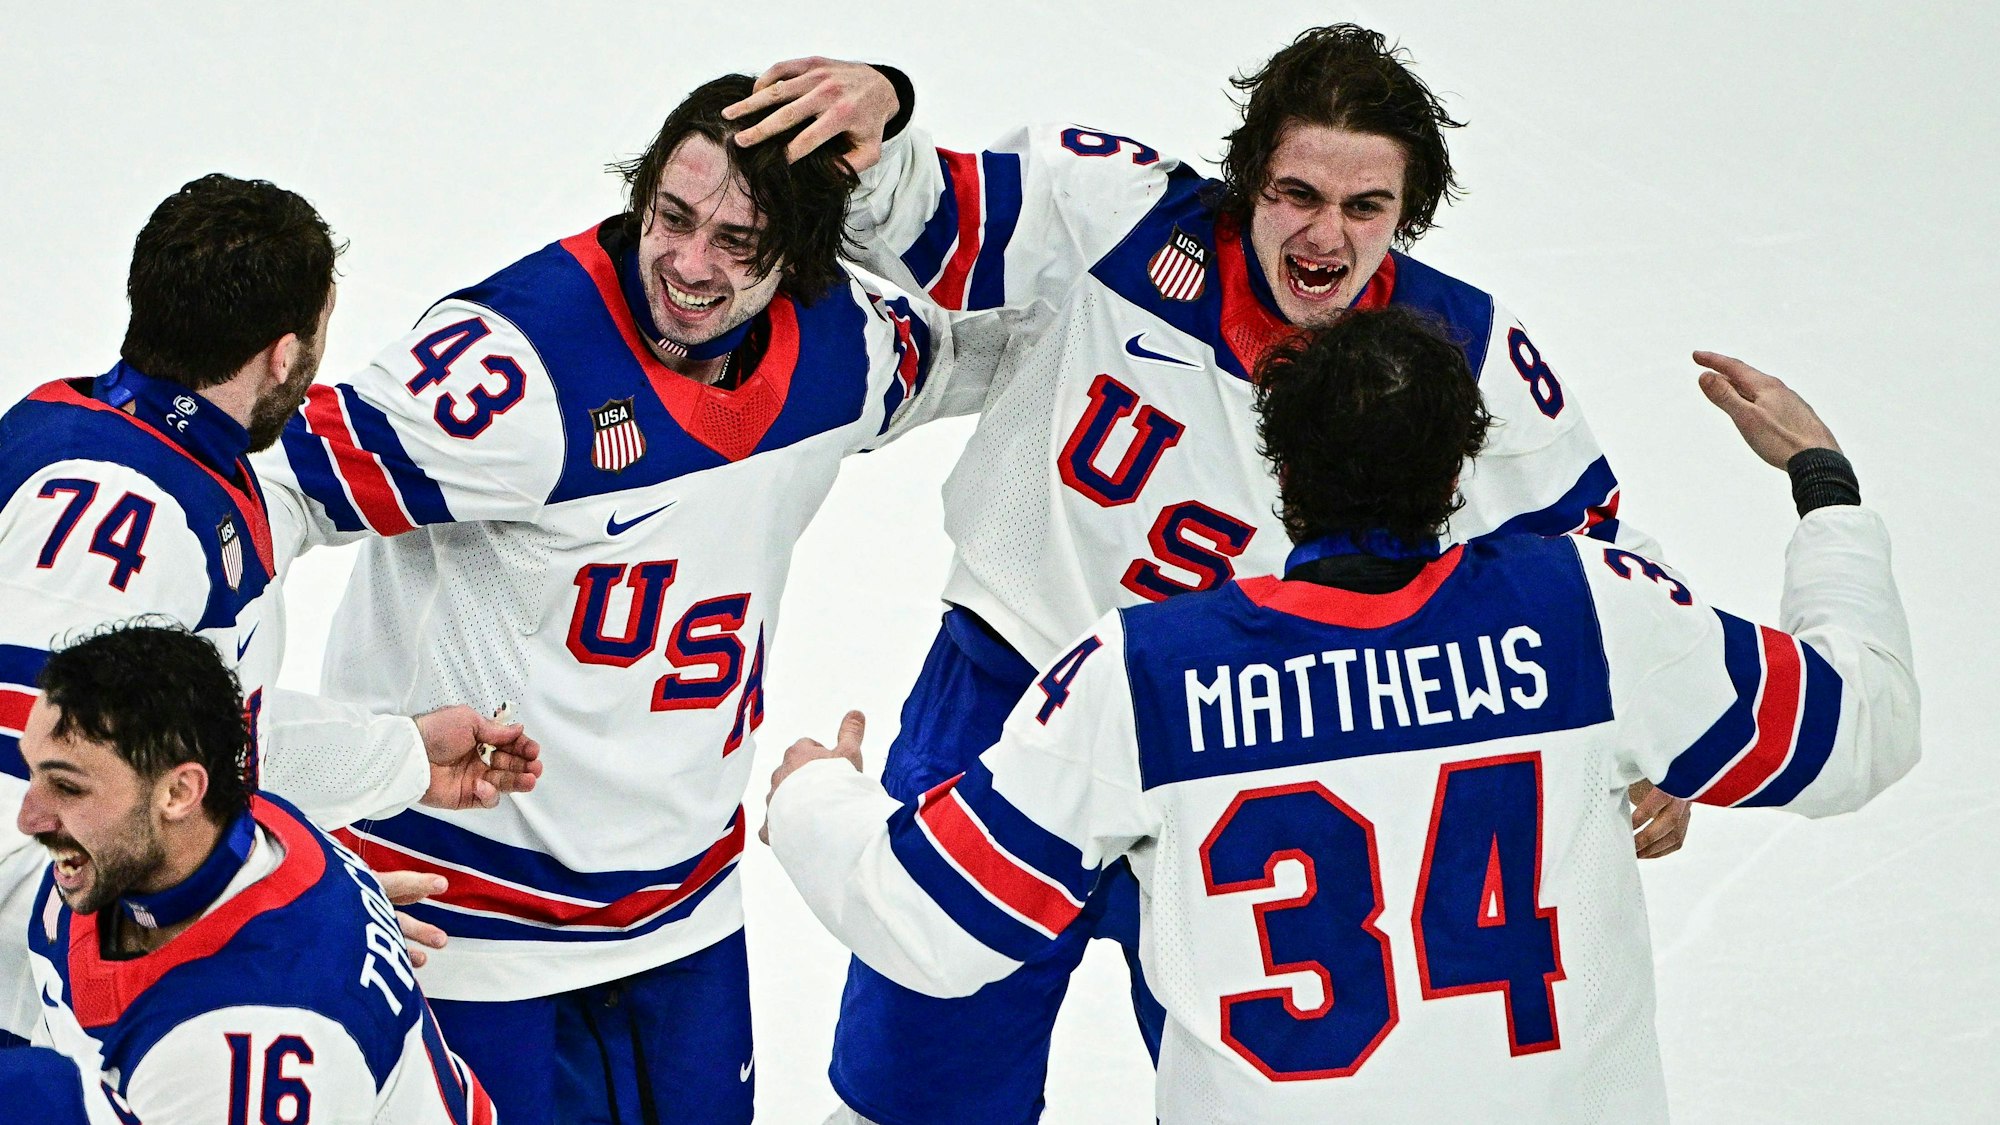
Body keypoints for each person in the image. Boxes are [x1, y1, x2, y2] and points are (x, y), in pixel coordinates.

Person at [726, 26, 1689, 1123]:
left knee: (1266, 1087)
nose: (1323, 235)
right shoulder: (1119, 213)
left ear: (1405, 214)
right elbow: (919, 210)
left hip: (1241, 744)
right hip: (1006, 682)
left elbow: (1594, 558)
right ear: (1246, 181)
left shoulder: (1456, 352)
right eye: (1293, 193)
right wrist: (881, 109)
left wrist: (1651, 737)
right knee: (913, 1089)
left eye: (1364, 207)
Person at [765, 308, 1920, 1123]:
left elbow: (930, 923)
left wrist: (811, 795)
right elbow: (1860, 726)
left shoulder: (1146, 668)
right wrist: (1823, 487)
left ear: (1277, 472)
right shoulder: (1585, 611)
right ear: (1461, 466)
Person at [251, 74, 984, 1125]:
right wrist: (237, 750)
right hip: (469, 914)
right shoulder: (512, 367)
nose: (689, 264)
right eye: (672, 217)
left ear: (802, 254)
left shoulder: (850, 348)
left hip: (682, 907)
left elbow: (1015, 340)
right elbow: (264, 496)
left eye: (739, 240)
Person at [0, 174, 542, 1045]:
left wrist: (398, 755)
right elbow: (36, 789)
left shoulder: (101, 432)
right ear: (286, 353)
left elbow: (184, 748)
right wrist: (256, 920)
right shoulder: (126, 513)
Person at [18, 621, 499, 1123]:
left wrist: (320, 938)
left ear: (179, 793)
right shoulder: (222, 829)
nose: (27, 819)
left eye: (68, 788)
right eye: (30, 770)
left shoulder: (246, 1041)